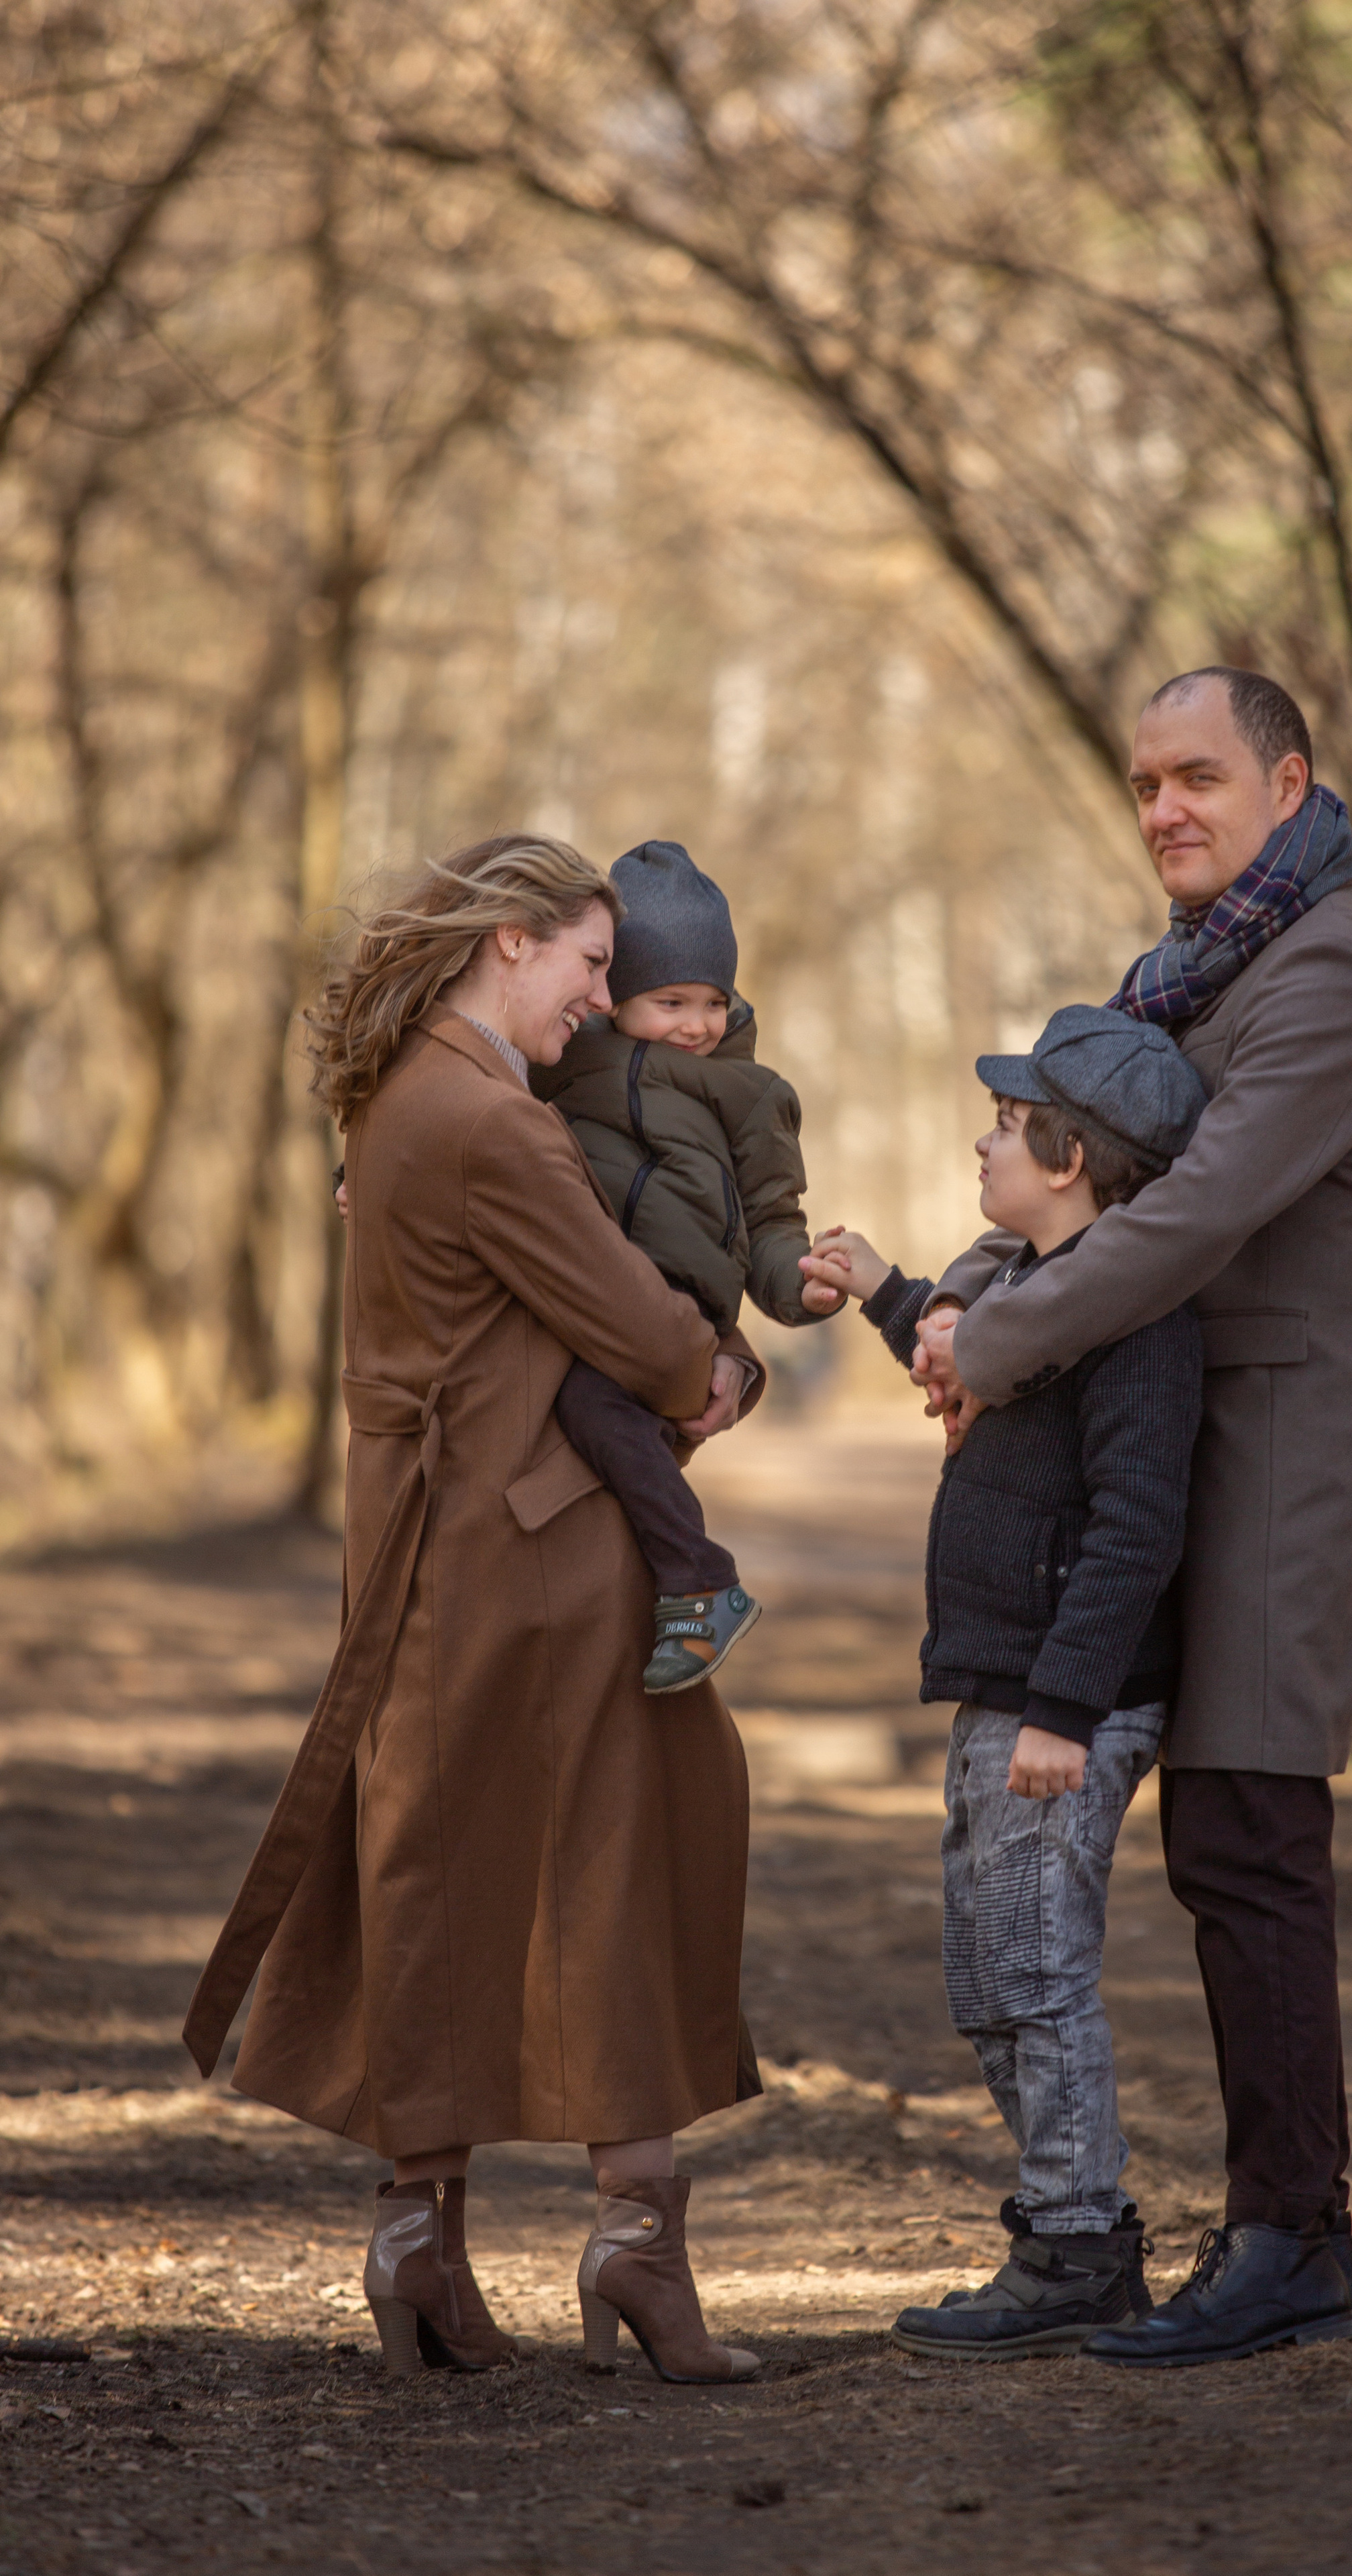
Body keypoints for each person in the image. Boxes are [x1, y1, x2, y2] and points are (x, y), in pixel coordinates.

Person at [183, 834, 765, 2386]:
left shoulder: (403, 1092)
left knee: (434, 1865)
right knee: (612, 1865)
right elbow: (638, 1331)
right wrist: (719, 1361)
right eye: (587, 961)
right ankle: (636, 2240)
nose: (602, 993)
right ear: (508, 942)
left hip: (440, 1541)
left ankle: (416, 2235)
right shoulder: (488, 1120)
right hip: (535, 1545)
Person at [913, 668, 1352, 2368]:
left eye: (1196, 776)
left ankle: (1294, 2237)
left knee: (1245, 1833)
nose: (1162, 809)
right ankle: (1251, 2226)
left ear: (1288, 779)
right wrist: (963, 1297)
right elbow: (1096, 1177)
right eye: (1142, 783)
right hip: (1190, 1434)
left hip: (1292, 1439)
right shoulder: (1204, 970)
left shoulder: (1336, 970)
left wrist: (994, 1341)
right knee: (1217, 1838)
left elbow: (1196, 1212)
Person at [800, 1005, 1204, 2357]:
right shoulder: (1036, 1298)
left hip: (1057, 1707)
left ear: (1069, 1157)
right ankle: (1060, 2224)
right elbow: (975, 1359)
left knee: (1036, 1976)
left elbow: (1134, 1526)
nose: (981, 1141)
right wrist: (882, 1291)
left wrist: (1063, 1713)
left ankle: (1078, 2242)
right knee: (983, 1982)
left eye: (1003, 1126)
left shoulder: (1134, 1321)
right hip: (1002, 1694)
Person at [532, 839, 844, 1694]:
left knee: (595, 1410)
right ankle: (669, 1593)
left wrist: (799, 1286)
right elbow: (462, 1127)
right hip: (586, 1292)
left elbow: (775, 1217)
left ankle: (698, 1580)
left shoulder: (747, 1094)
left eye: (714, 1001)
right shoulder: (556, 1065)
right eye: (670, 1001)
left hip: (681, 1304)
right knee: (592, 1453)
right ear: (611, 997)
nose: (698, 1024)